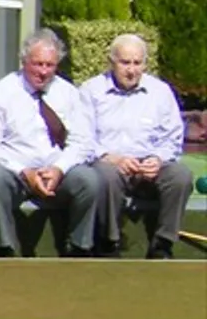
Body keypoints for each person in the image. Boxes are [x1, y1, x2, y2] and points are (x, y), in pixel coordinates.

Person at [0, 29, 103, 257]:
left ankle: (79, 246)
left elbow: (82, 142)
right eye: (38, 64)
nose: (44, 72)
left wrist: (59, 169)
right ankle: (5, 246)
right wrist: (24, 171)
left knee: (89, 181)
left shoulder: (68, 93)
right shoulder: (2, 93)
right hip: (16, 170)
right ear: (24, 61)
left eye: (50, 65)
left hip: (57, 171)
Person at [80, 34, 189, 260]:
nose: (131, 70)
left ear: (145, 64)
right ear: (112, 62)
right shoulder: (91, 90)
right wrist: (112, 158)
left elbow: (173, 137)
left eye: (137, 63)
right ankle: (109, 242)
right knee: (105, 176)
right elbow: (82, 138)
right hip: (111, 163)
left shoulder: (160, 92)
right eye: (125, 63)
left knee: (181, 176)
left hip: (150, 164)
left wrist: (158, 159)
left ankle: (163, 243)